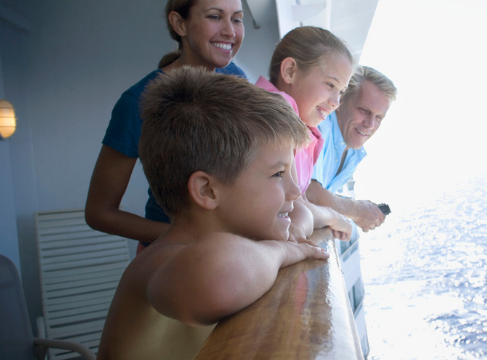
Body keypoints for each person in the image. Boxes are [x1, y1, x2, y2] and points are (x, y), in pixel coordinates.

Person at [96, 67, 329, 360]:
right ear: (207, 191)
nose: (295, 190)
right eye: (278, 174)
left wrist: (330, 219)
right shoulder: (160, 261)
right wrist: (283, 252)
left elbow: (303, 212)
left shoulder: (237, 240)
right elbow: (219, 277)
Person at [86, 0, 246, 250]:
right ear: (179, 24)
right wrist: (189, 235)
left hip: (230, 247)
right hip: (172, 256)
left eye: (236, 19)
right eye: (214, 16)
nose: (230, 31)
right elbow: (99, 213)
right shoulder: (137, 101)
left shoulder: (236, 79)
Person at [255, 26, 355, 242]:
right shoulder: (270, 120)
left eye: (341, 91)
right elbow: (292, 213)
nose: (336, 102)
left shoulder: (301, 126)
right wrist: (332, 217)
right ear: (290, 71)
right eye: (330, 84)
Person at [306, 66, 397, 232]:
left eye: (378, 118)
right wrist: (357, 211)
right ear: (340, 102)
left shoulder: (353, 152)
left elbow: (323, 196)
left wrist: (356, 210)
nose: (370, 124)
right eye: (363, 110)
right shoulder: (320, 128)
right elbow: (310, 193)